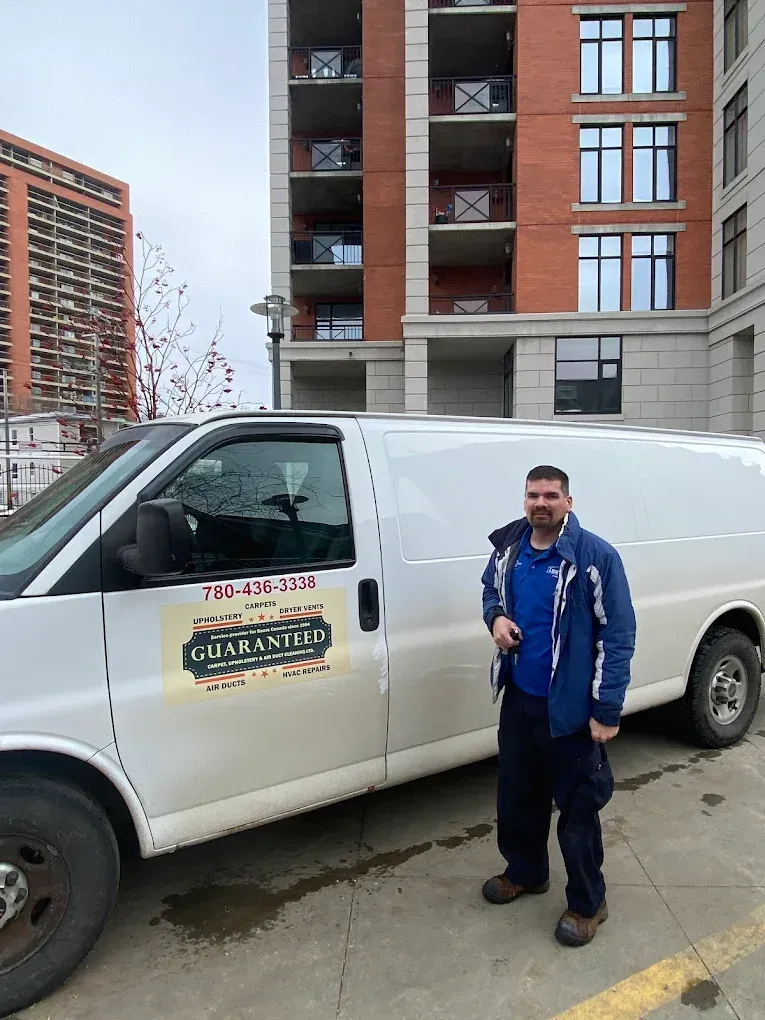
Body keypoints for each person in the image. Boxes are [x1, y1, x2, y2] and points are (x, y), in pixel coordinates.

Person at [480, 465, 636, 947]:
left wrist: (606, 711)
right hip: (521, 700)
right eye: (532, 495)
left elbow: (618, 635)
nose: (540, 503)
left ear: (568, 501)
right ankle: (526, 873)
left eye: (550, 495)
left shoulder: (594, 556)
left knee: (578, 812)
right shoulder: (510, 548)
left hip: (568, 710)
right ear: (523, 500)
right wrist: (497, 619)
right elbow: (489, 590)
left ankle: (590, 903)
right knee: (518, 797)